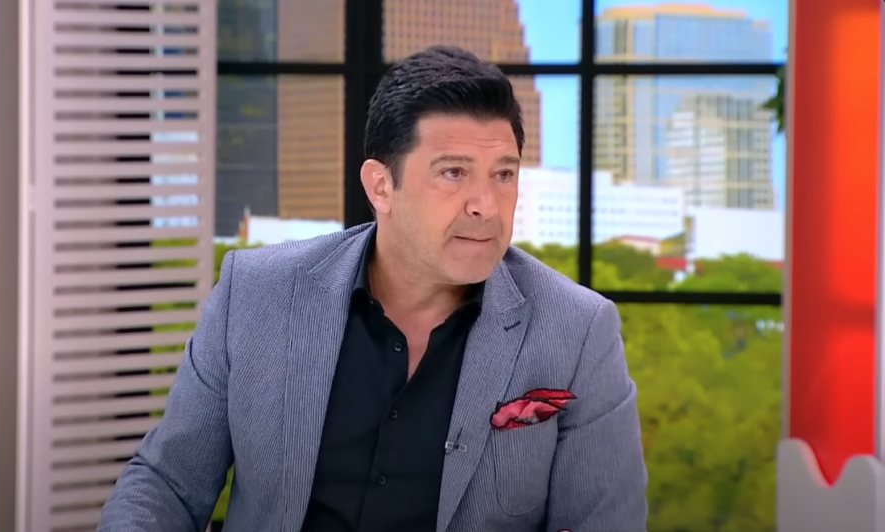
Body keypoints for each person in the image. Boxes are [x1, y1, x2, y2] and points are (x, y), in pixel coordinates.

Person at [97, 45, 647, 532]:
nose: (486, 204)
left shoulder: (577, 331)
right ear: (381, 186)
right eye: (453, 173)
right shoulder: (257, 294)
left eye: (503, 174)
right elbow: (167, 484)